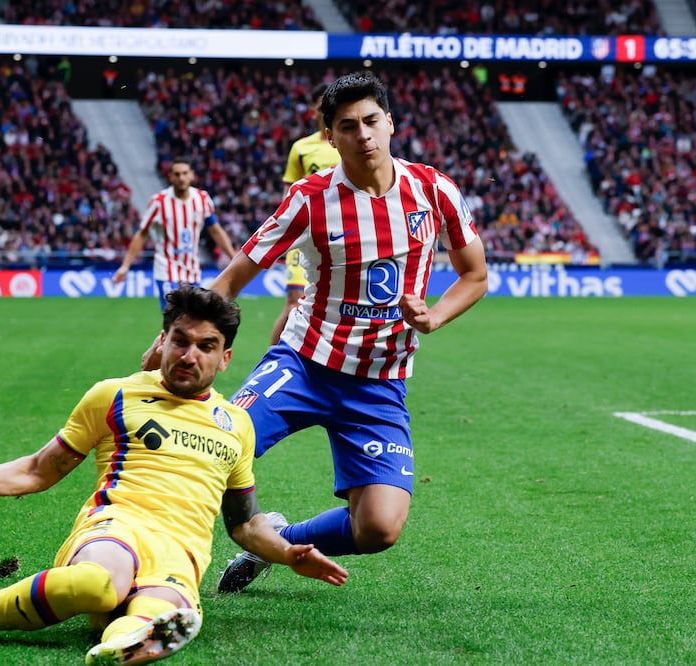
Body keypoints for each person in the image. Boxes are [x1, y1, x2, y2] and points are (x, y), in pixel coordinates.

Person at [0, 284, 348, 665]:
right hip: (116, 528)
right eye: (180, 340)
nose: (189, 355)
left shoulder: (236, 424)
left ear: (224, 358)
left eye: (206, 346)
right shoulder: (114, 395)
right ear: (162, 341)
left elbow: (244, 524)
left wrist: (286, 553)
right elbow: (37, 470)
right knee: (100, 584)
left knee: (157, 615)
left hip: (180, 552)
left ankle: (117, 648)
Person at [206, 71, 489, 592]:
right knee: (214, 443)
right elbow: (231, 279)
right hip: (303, 362)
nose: (363, 134)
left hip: (380, 382)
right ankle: (155, 565)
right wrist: (173, 331)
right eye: (347, 126)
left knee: (378, 528)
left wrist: (434, 315)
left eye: (371, 121)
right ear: (329, 137)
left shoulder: (434, 189)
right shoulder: (309, 198)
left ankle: (278, 539)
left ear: (390, 123)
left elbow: (475, 274)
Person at [112, 157, 237, 310]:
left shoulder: (202, 199)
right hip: (166, 269)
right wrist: (125, 266)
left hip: (192, 271)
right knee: (174, 318)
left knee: (192, 319)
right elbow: (142, 234)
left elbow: (215, 230)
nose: (181, 178)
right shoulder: (159, 202)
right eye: (177, 174)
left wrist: (233, 258)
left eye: (185, 173)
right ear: (170, 176)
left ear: (192, 175)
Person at [269, 82, 340, 346]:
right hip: (305, 234)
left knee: (336, 308)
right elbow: (289, 192)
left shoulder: (346, 143)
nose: (326, 111)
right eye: (321, 106)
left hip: (341, 234)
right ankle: (270, 360)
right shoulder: (301, 147)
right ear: (313, 111)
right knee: (293, 304)